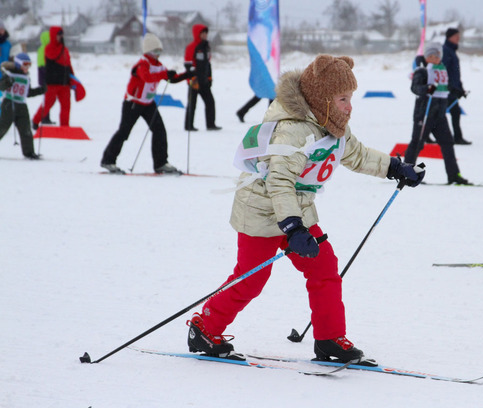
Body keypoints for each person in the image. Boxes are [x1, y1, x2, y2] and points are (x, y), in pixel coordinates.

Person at [186, 54, 425, 364]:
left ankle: (329, 340)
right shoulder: (293, 130)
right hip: (261, 209)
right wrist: (294, 228)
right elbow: (280, 182)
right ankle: (204, 328)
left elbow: (357, 154)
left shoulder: (332, 125)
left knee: (324, 267)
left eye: (350, 97)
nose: (349, 105)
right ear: (323, 99)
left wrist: (395, 166)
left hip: (295, 210)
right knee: (252, 277)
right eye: (342, 98)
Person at [101, 33, 192, 175]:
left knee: (159, 130)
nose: (158, 54)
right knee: (124, 132)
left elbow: (170, 78)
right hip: (133, 103)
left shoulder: (159, 66)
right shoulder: (142, 64)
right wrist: (165, 75)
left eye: (160, 51)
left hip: (148, 104)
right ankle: (108, 160)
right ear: (148, 51)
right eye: (156, 51)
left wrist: (187, 75)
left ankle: (161, 163)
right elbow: (147, 78)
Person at [404, 43, 471, 185]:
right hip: (424, 113)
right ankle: (406, 173)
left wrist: (458, 91)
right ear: (426, 57)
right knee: (417, 143)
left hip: (439, 115)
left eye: (436, 56)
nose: (433, 59)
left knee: (448, 143)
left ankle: (454, 175)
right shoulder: (422, 70)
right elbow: (415, 87)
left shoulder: (442, 69)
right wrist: (426, 89)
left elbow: (446, 87)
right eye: (430, 56)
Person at [0, 53, 45, 159]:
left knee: (26, 130)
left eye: (29, 65)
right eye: (25, 64)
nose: (27, 67)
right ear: (18, 64)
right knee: (2, 128)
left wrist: (41, 90)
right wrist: (7, 82)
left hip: (22, 106)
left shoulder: (26, 77)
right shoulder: (9, 74)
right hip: (9, 104)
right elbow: (1, 86)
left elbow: (28, 93)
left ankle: (29, 152)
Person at [32, 26, 75, 129]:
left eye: (61, 34)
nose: (60, 36)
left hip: (65, 83)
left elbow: (68, 64)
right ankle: (35, 120)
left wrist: (73, 79)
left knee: (66, 106)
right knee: (48, 104)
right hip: (52, 83)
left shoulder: (65, 49)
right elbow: (52, 56)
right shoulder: (49, 48)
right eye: (58, 34)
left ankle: (65, 126)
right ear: (53, 35)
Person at [184, 24, 221, 131]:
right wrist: (193, 78)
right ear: (197, 34)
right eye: (203, 33)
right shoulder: (191, 47)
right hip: (194, 81)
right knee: (192, 104)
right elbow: (188, 64)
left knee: (210, 102)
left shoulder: (206, 46)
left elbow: (207, 64)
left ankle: (211, 124)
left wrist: (209, 78)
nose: (205, 35)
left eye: (206, 33)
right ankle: (188, 125)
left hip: (204, 81)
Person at [442, 27, 471, 145]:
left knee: (453, 112)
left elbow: (455, 72)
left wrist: (460, 88)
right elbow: (444, 70)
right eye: (456, 36)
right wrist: (448, 86)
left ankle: (457, 137)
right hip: (447, 89)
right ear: (449, 37)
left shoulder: (452, 50)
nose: (458, 38)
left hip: (453, 88)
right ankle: (457, 137)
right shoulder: (446, 50)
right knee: (444, 113)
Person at [36, 30, 53, 125]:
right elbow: (44, 65)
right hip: (46, 77)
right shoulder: (45, 49)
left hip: (42, 77)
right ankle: (44, 118)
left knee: (47, 99)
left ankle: (46, 117)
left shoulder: (40, 49)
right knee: (48, 99)